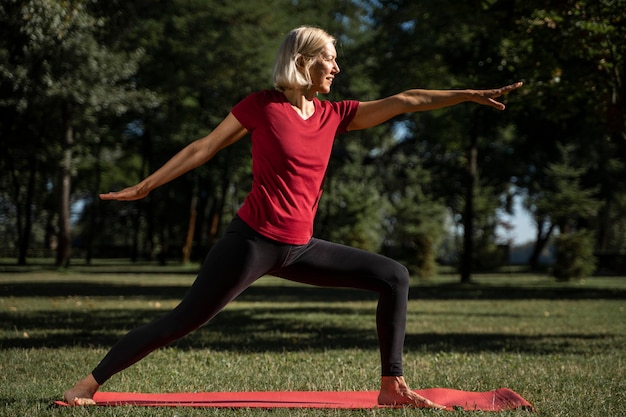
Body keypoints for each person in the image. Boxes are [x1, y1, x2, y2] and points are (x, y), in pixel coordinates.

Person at [64, 26, 522, 408]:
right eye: (330, 59)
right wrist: (146, 186)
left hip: (301, 247)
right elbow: (205, 147)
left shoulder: (334, 115)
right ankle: (86, 386)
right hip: (253, 243)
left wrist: (465, 95)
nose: (337, 69)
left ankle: (392, 388)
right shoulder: (262, 106)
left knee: (394, 276)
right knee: (182, 321)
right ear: (304, 60)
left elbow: (406, 99)